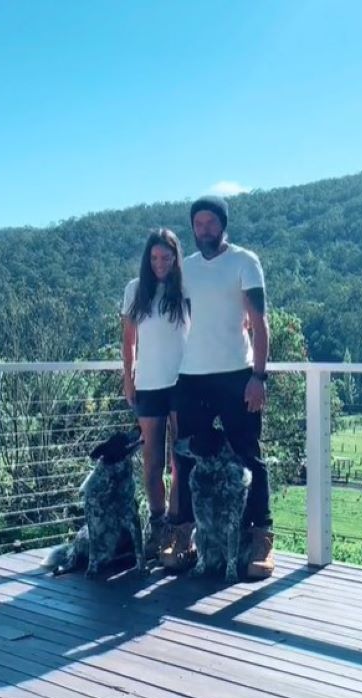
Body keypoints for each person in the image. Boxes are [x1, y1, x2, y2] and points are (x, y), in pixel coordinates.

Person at [162, 195, 274, 578]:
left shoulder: (245, 261)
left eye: (211, 222)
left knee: (247, 454)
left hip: (236, 375)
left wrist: (258, 377)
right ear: (192, 228)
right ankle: (185, 537)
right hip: (192, 376)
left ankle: (261, 537)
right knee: (186, 458)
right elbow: (163, 307)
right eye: (199, 223)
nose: (204, 229)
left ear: (223, 225)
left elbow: (259, 324)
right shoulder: (186, 268)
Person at [121, 228, 190, 559]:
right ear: (147, 260)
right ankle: (158, 524)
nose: (160, 263)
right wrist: (128, 376)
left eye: (166, 256)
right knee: (152, 463)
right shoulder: (135, 290)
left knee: (181, 461)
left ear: (175, 257)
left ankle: (178, 531)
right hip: (148, 384)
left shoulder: (187, 289)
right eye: (154, 257)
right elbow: (129, 339)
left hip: (183, 383)